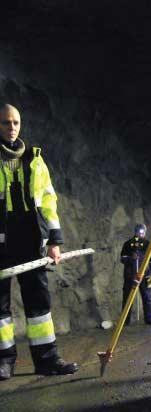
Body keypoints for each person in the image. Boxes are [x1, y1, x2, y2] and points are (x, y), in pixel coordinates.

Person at [0, 103, 78, 380]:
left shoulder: (34, 159)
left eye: (16, 123)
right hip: (1, 243)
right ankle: (4, 362)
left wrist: (53, 241)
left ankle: (47, 359)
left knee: (39, 303)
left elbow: (48, 202)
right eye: (6, 122)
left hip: (31, 240)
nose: (12, 128)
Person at [120, 223, 151, 325]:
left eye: (142, 233)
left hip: (144, 274)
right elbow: (122, 258)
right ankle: (125, 320)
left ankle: (149, 319)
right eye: (139, 232)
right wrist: (130, 258)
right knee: (128, 297)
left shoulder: (148, 244)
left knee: (147, 297)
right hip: (130, 275)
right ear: (136, 232)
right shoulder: (128, 244)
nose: (141, 235)